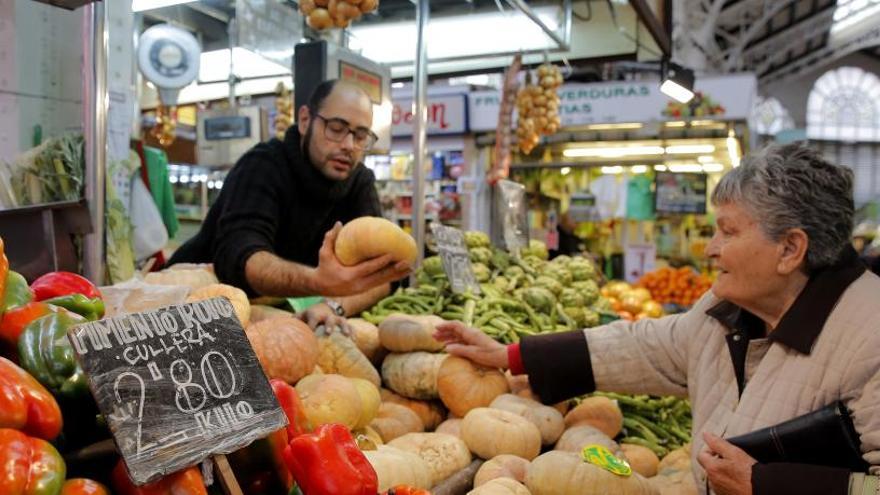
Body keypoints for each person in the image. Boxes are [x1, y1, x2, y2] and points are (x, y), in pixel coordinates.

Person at [435, 142, 880, 495]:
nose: (710, 248)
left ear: (790, 249)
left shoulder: (869, 335)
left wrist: (765, 485)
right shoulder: (728, 311)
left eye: (727, 231)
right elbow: (648, 347)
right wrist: (511, 354)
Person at [170, 80, 410, 329]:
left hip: (275, 317)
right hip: (189, 311)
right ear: (305, 120)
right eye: (336, 128)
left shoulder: (359, 180)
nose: (349, 145)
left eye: (360, 136)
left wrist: (333, 304)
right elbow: (242, 257)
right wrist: (320, 282)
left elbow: (385, 273)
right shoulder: (263, 165)